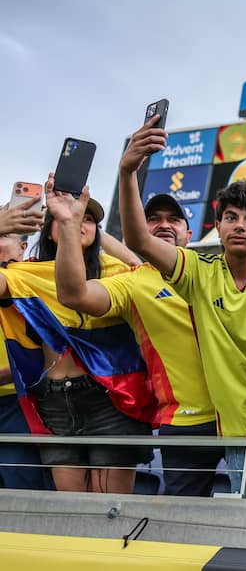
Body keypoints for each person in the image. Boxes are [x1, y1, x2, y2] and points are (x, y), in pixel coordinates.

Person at [118, 114, 246, 495]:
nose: (239, 225)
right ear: (218, 227)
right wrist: (128, 172)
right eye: (230, 217)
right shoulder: (198, 272)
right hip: (233, 432)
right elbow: (139, 240)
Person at [53, 190, 223, 496]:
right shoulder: (133, 281)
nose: (164, 225)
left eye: (174, 219)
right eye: (153, 219)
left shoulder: (218, 269)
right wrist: (68, 224)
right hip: (185, 422)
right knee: (182, 520)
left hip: (242, 416)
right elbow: (74, 295)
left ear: (189, 234)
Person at [0, 179, 156, 493]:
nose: (77, 220)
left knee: (109, 510)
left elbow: (145, 269)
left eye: (89, 219)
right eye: (63, 218)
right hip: (54, 402)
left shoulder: (116, 270)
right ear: (47, 231)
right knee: (70, 510)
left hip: (111, 398)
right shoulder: (27, 273)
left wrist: (77, 220)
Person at [0, 199, 48, 490]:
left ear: (22, 247)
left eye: (4, 234)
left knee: (21, 491)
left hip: (19, 404)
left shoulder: (33, 277)